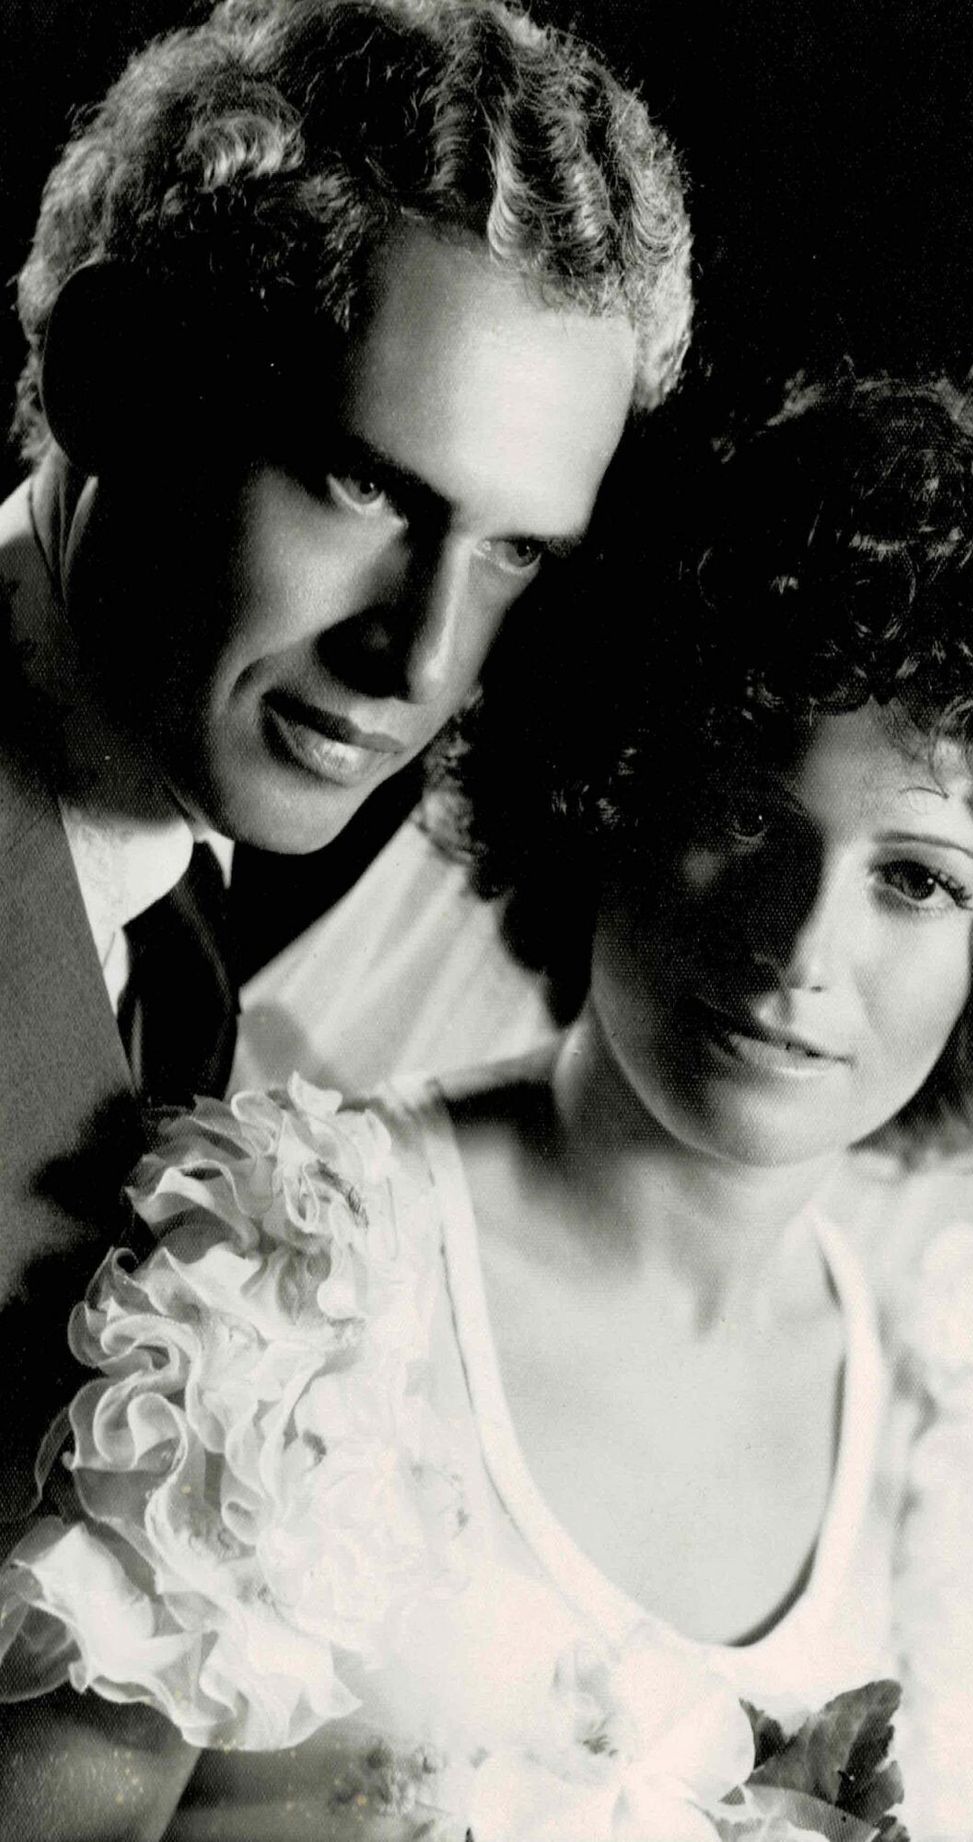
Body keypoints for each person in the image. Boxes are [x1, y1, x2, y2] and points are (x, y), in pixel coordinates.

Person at [0, 376, 973, 1841]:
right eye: (746, 813)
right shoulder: (288, 1291)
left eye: (915, 879)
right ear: (612, 784)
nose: (801, 945)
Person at [0, 0, 692, 1520]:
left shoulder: (171, 908)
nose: (426, 659)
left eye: (515, 549)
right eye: (362, 483)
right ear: (113, 377)